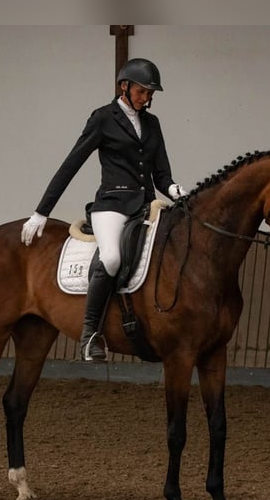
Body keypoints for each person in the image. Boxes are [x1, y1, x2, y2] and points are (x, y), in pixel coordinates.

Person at [20, 57, 188, 362]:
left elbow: (161, 174)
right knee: (111, 257)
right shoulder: (103, 118)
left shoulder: (152, 124)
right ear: (124, 86)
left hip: (147, 206)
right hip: (111, 204)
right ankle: (90, 334)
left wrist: (176, 189)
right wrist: (41, 211)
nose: (147, 98)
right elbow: (71, 164)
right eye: (142, 91)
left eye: (151, 93)